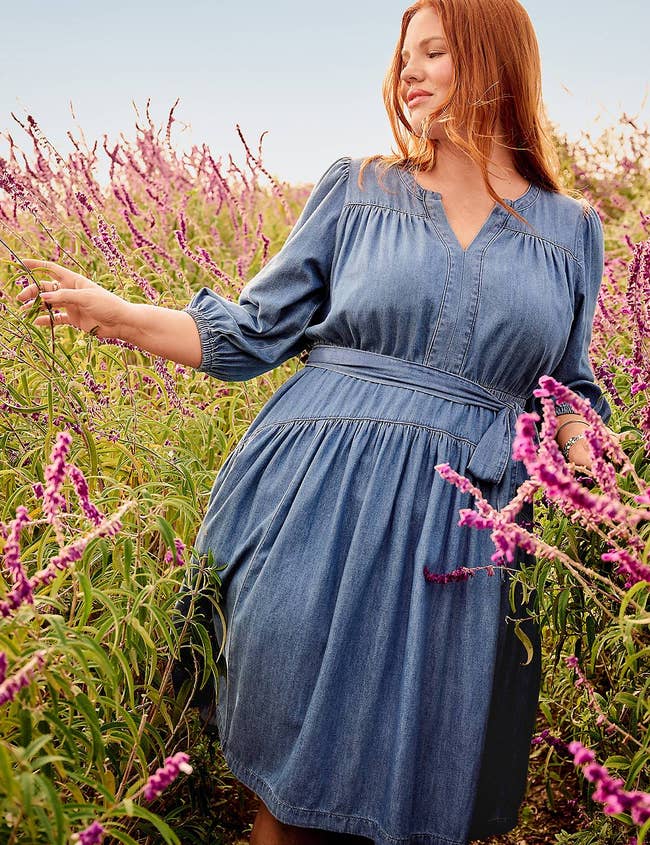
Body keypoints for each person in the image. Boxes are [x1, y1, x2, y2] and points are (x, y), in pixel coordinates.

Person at [16, 1, 612, 842]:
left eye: (433, 52)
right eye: (403, 56)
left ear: (494, 59)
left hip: (467, 535)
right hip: (317, 506)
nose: (408, 72)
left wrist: (593, 471)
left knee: (419, 784)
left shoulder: (570, 229)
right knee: (290, 788)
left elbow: (570, 390)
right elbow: (251, 333)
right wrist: (118, 314)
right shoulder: (358, 189)